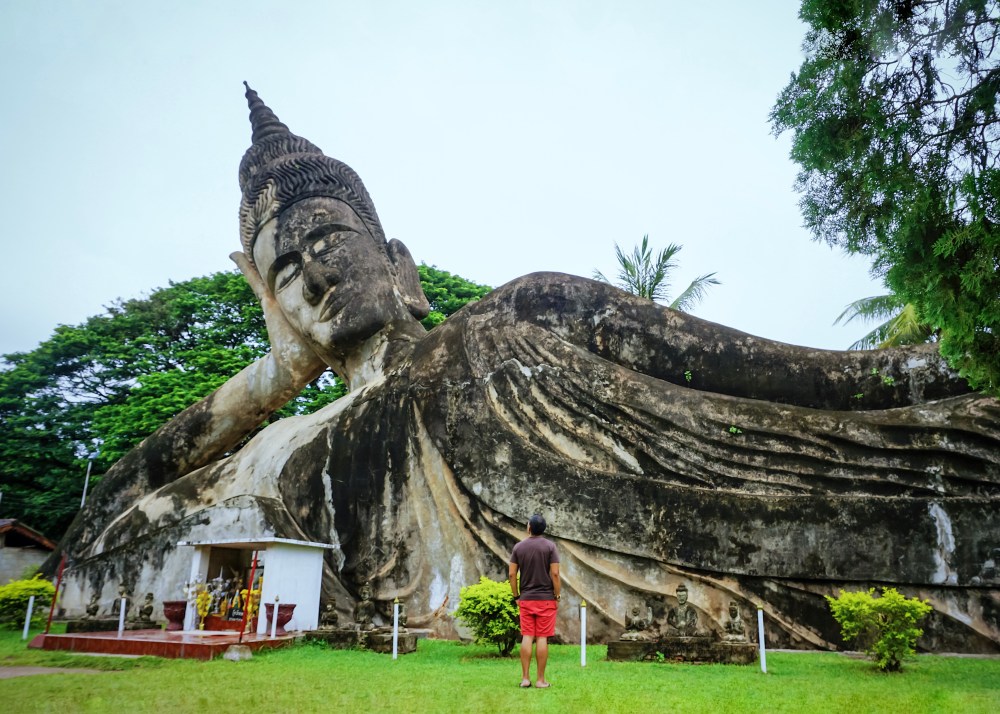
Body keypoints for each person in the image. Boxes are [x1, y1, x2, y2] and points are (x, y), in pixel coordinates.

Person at [48, 84, 1000, 650]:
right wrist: (272, 376)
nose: (314, 278)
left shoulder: (510, 318)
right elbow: (92, 540)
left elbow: (803, 381)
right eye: (285, 274)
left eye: (327, 240)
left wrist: (953, 362)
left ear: (398, 262)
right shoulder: (285, 440)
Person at [509, 514, 561, 689]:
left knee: (527, 636)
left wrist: (516, 596)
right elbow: (555, 574)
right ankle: (540, 680)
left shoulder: (519, 547)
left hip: (526, 599)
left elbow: (512, 574)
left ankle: (525, 679)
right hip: (546, 600)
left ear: (529, 527)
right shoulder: (550, 547)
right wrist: (557, 596)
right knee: (542, 637)